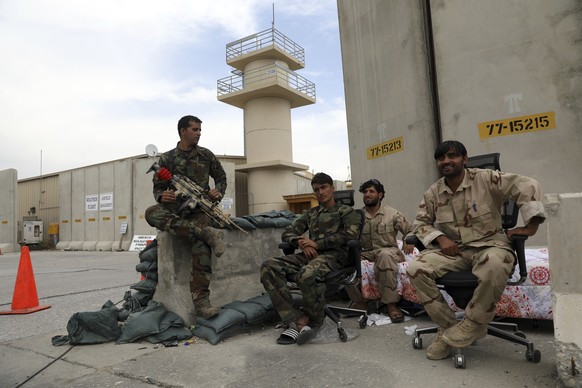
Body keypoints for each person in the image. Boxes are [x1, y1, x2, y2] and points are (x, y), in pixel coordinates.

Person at [406, 140, 546, 360]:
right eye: (441, 158)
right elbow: (420, 224)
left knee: (495, 264)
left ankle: (473, 323)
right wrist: (441, 238)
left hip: (490, 245)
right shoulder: (433, 192)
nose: (446, 161)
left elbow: (528, 185)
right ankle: (447, 327)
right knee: (415, 268)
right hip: (454, 252)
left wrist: (531, 225)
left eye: (452, 156)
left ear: (465, 159)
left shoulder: (486, 179)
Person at [260, 172, 361, 345]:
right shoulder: (311, 214)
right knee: (269, 266)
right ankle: (295, 318)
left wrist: (317, 244)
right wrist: (301, 242)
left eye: (324, 187)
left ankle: (313, 320)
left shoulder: (346, 211)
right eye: (317, 189)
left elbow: (350, 235)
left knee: (306, 274)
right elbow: (288, 232)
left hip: (335, 257)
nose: (320, 192)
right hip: (311, 256)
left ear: (332, 188)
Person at [145, 115, 227, 319]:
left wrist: (218, 192)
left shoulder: (206, 155)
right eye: (195, 129)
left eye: (200, 130)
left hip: (199, 211)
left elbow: (221, 178)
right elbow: (158, 187)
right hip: (175, 210)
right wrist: (162, 196)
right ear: (183, 131)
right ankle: (204, 233)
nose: (199, 133)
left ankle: (201, 302)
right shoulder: (167, 158)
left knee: (201, 246)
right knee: (151, 212)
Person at [357, 178, 414, 323]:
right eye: (365, 192)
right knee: (346, 258)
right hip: (366, 252)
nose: (367, 194)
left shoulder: (392, 214)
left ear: (380, 195)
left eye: (371, 191)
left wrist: (408, 240)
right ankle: (360, 302)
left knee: (384, 255)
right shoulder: (357, 216)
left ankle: (391, 305)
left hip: (388, 251)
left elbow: (411, 230)